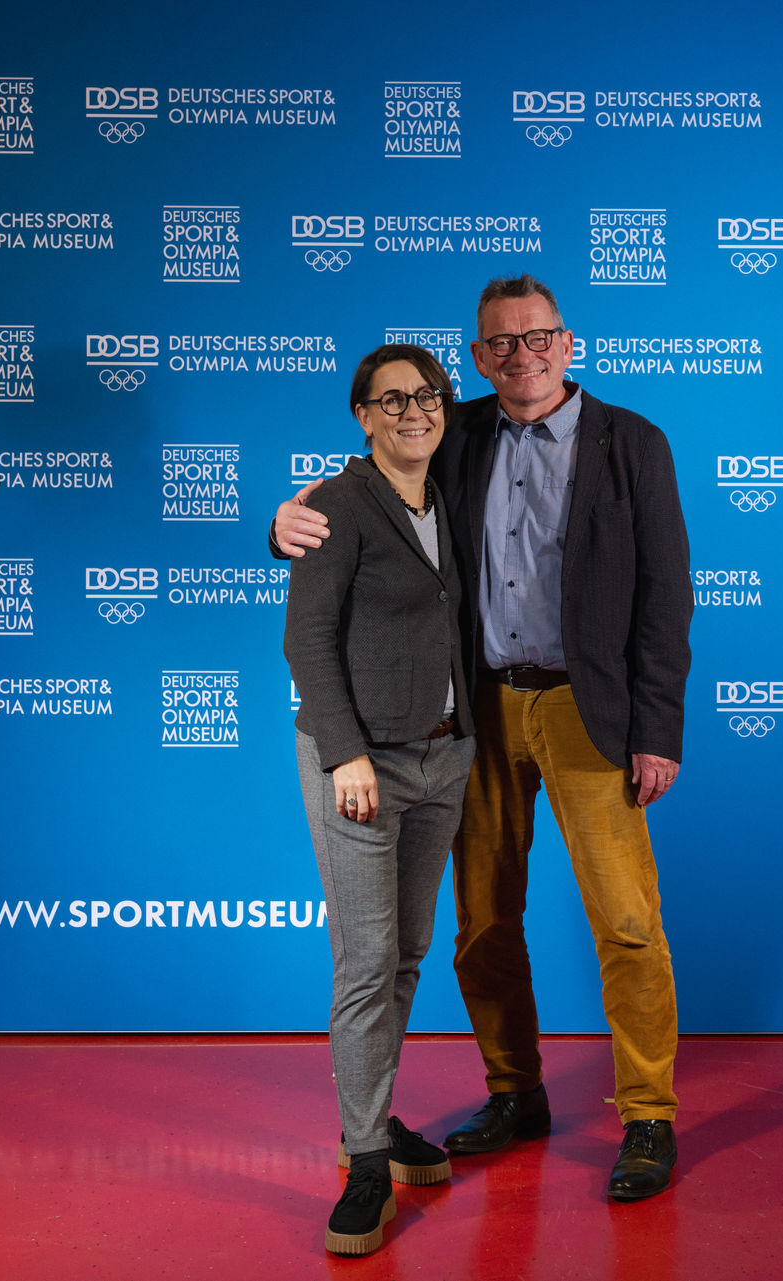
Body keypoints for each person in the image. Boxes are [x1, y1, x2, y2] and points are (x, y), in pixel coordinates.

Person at [273, 274, 693, 1201]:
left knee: (625, 919)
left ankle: (647, 1113)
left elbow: (667, 596)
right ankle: (515, 1090)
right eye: (501, 342)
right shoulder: (453, 431)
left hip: (590, 710)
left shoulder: (633, 442)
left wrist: (657, 728)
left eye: (538, 337)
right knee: (484, 922)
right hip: (476, 712)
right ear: (477, 359)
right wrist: (284, 523)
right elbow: (364, 488)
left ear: (568, 343)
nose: (522, 355)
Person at [284, 344, 476, 1256]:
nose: (413, 411)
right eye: (391, 399)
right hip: (362, 764)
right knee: (366, 961)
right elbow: (307, 639)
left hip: (446, 758)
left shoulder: (452, 493)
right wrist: (344, 754)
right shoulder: (336, 502)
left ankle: (373, 1114)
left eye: (426, 395)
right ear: (361, 416)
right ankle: (365, 1157)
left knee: (406, 953)